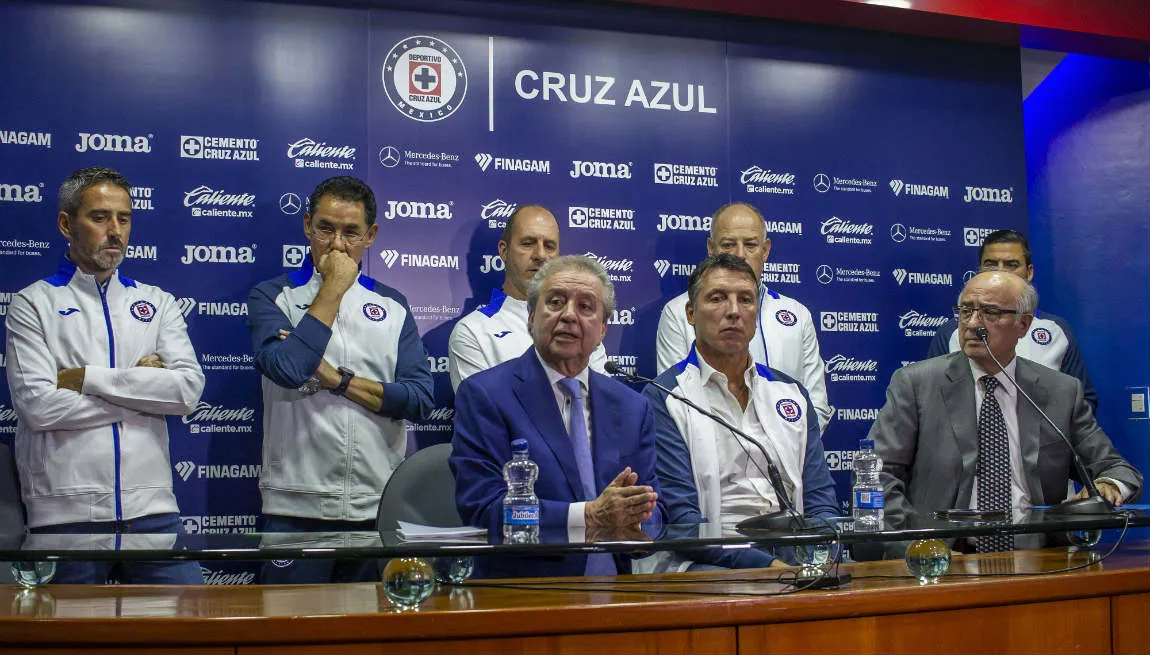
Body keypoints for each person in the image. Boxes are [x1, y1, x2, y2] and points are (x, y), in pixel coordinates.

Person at [5, 166, 205, 584]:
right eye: (99, 217)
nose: (115, 231)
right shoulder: (32, 304)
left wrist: (86, 378)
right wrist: (143, 395)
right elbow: (38, 407)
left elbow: (186, 392)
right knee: (65, 630)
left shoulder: (157, 302)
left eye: (124, 218)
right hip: (64, 519)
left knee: (188, 624)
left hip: (154, 514)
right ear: (67, 224)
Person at [871, 271, 1141, 551]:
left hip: (1038, 554)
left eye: (990, 313)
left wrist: (1109, 486)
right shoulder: (916, 385)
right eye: (966, 311)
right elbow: (877, 474)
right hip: (943, 554)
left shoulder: (1061, 392)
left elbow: (1118, 469)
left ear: (1023, 324)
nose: (972, 323)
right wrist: (918, 547)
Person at [248, 176, 433, 583]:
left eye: (351, 233)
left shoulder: (392, 304)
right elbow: (290, 369)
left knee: (369, 625)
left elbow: (420, 399)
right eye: (326, 229)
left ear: (371, 236)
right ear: (307, 225)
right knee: (290, 622)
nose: (337, 246)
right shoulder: (272, 296)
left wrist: (338, 380)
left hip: (376, 507)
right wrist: (333, 287)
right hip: (294, 510)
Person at [450, 255, 662, 578]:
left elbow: (656, 511)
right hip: (528, 590)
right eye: (555, 302)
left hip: (617, 591)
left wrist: (637, 519)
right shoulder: (485, 396)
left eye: (586, 307)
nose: (569, 315)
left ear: (603, 329)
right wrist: (588, 516)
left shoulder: (633, 407)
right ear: (531, 317)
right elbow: (484, 510)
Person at [642, 254, 839, 572]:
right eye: (717, 298)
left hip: (793, 556)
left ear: (756, 313)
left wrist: (821, 558)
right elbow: (683, 523)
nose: (733, 311)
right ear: (691, 313)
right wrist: (768, 566)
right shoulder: (664, 399)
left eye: (745, 300)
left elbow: (820, 500)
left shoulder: (792, 394)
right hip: (711, 559)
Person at [655, 202, 832, 433]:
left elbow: (816, 406)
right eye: (728, 245)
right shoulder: (678, 312)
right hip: (707, 450)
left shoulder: (797, 315)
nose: (740, 255)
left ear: (765, 250)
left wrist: (782, 446)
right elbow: (675, 401)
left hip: (788, 451)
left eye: (750, 245)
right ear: (711, 248)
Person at [927, 229, 1097, 411]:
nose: (1000, 272)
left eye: (1011, 265)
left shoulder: (1055, 331)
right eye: (991, 265)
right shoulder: (953, 331)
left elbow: (1082, 401)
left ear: (1029, 272)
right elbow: (930, 397)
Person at [448, 204, 607, 391]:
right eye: (528, 243)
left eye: (549, 246)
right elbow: (482, 407)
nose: (540, 255)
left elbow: (603, 401)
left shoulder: (582, 325)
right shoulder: (472, 332)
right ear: (504, 251)